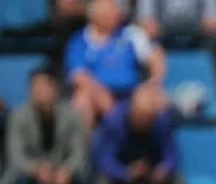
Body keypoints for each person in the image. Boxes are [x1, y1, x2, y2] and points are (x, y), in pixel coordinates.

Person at [65, 0, 167, 128]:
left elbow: (156, 57)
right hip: (97, 94)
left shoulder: (131, 34)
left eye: (115, 10)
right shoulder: (79, 41)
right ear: (95, 16)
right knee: (82, 101)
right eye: (109, 12)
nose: (116, 14)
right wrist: (101, 95)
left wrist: (154, 82)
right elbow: (79, 77)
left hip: (130, 94)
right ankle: (85, 147)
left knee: (153, 100)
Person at [3, 68, 91, 184]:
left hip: (63, 171)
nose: (39, 91)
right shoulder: (18, 116)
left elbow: (79, 152)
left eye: (43, 86)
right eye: (34, 87)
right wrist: (37, 170)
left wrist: (67, 170)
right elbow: (15, 156)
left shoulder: (72, 115)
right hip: (31, 172)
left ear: (55, 88)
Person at [92, 85, 178, 184]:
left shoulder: (162, 122)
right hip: (120, 176)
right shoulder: (114, 121)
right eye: (141, 117)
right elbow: (104, 159)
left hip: (152, 175)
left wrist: (164, 169)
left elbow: (171, 154)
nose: (144, 122)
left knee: (177, 183)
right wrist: (126, 173)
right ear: (132, 110)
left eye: (148, 118)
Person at [136, 0, 216, 48]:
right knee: (144, 36)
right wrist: (149, 24)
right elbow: (146, 18)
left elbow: (212, 20)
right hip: (163, 33)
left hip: (198, 32)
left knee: (215, 34)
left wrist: (210, 21)